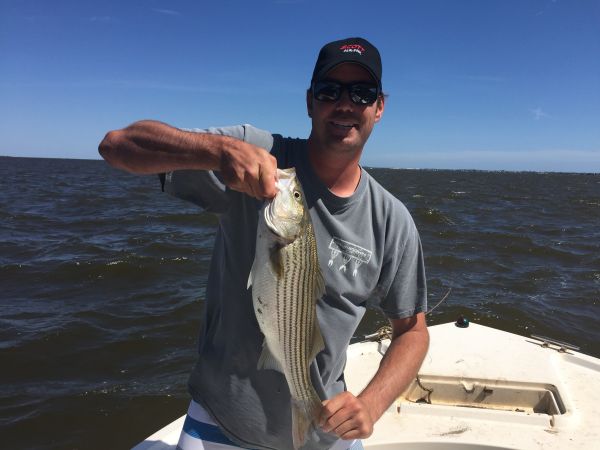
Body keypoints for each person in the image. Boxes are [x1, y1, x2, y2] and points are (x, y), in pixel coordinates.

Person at [99, 37, 429, 450]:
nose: (345, 104)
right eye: (330, 91)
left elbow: (412, 330)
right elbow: (116, 146)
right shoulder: (255, 154)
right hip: (220, 422)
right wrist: (217, 152)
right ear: (310, 101)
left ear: (379, 107)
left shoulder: (393, 220)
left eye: (361, 93)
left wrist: (371, 405)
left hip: (324, 431)